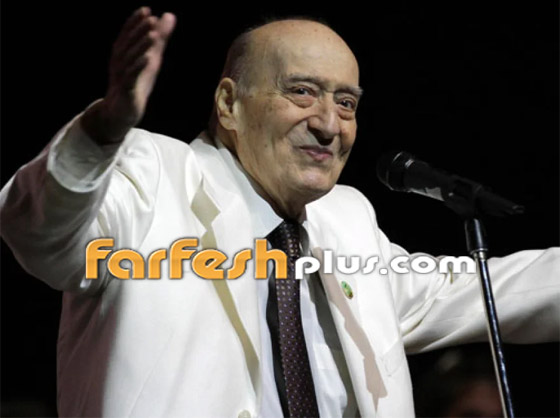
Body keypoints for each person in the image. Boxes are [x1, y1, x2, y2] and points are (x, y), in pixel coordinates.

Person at [0, 7, 558, 417]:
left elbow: (495, 291)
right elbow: (40, 234)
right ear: (229, 104)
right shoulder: (152, 177)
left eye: (346, 103)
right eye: (302, 92)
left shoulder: (347, 222)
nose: (329, 124)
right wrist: (102, 132)